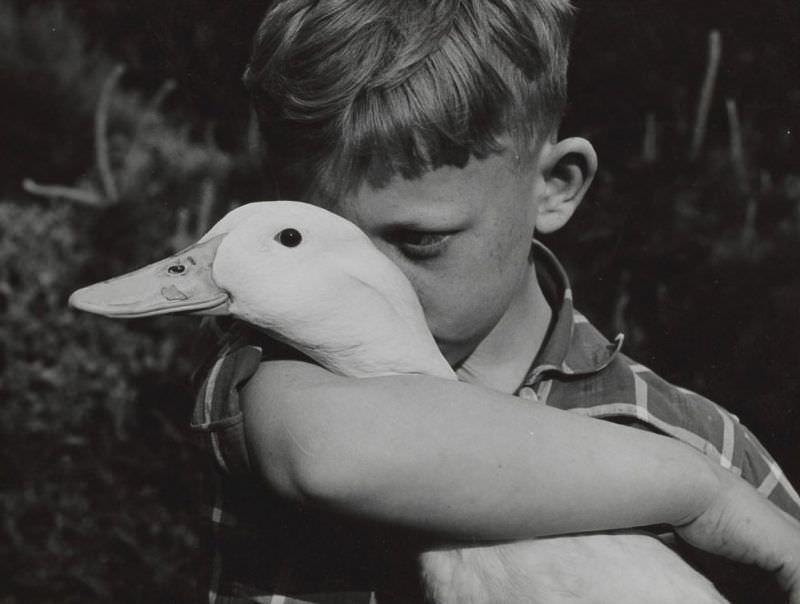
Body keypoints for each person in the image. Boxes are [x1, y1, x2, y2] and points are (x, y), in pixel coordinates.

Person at [191, 1, 800, 602]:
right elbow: (324, 453)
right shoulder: (272, 375)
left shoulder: (708, 439)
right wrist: (701, 493)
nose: (366, 280)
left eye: (419, 240)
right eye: (314, 233)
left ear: (555, 188)